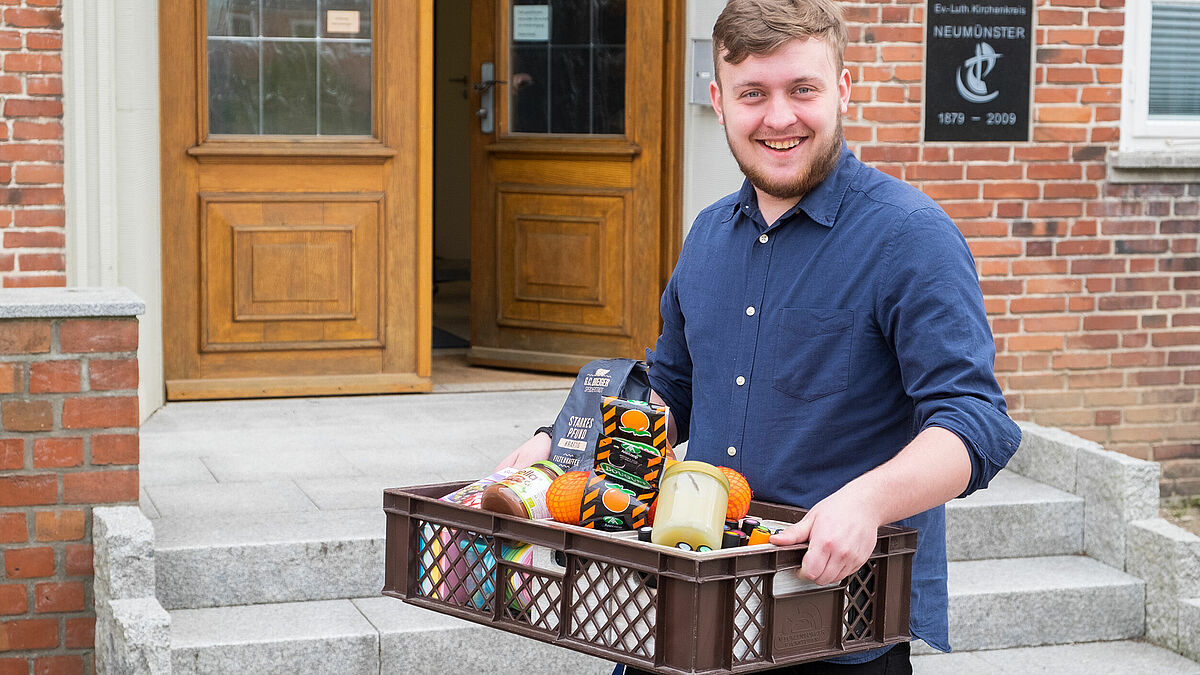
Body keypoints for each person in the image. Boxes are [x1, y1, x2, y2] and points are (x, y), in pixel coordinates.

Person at [497, 0, 1021, 672]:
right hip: (688, 605)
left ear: (843, 90)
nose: (778, 117)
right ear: (719, 101)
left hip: (832, 620)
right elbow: (672, 391)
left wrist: (866, 500)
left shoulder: (909, 238)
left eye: (802, 89)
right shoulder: (709, 234)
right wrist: (562, 445)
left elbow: (975, 422)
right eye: (753, 93)